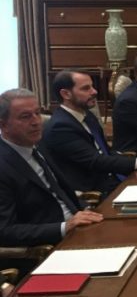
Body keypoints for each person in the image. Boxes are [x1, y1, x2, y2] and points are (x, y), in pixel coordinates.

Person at [42, 70, 137, 196]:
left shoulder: (86, 115)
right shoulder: (60, 127)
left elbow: (105, 152)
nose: (94, 91)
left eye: (92, 86)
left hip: (113, 179)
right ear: (66, 94)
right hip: (96, 192)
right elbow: (96, 161)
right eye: (85, 88)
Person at [0, 89, 103, 247]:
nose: (36, 121)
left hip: (79, 229)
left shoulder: (37, 144)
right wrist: (64, 227)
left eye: (37, 113)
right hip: (47, 247)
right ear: (3, 125)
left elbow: (59, 191)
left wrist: (84, 212)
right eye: (25, 116)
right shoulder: (4, 165)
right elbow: (5, 231)